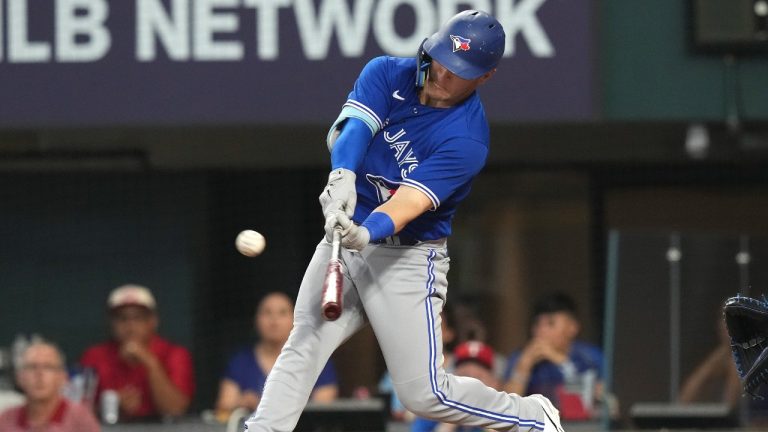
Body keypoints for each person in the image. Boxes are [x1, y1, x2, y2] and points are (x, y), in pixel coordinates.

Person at [245, 10, 563, 432]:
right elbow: (356, 128)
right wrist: (342, 175)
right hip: (347, 231)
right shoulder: (388, 73)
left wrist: (366, 230)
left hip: (408, 257)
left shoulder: (466, 139)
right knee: (305, 340)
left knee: (424, 394)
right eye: (442, 59)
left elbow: (408, 203)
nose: (443, 74)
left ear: (483, 78)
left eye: (458, 71)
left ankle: (531, 416)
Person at [215, 292, 338, 420]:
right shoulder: (240, 362)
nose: (274, 320)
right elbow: (223, 409)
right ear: (256, 320)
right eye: (267, 313)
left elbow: (323, 408)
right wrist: (241, 403)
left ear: (296, 319)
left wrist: (262, 405)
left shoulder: (315, 360)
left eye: (282, 313)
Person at [80, 284, 194, 421]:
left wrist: (150, 362)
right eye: (122, 319)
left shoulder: (174, 354)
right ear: (111, 323)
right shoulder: (94, 356)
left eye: (138, 318)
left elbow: (174, 409)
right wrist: (110, 404)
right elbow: (75, 411)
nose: (130, 326)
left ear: (153, 321)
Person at [504, 293, 602, 420]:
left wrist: (561, 362)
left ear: (573, 327)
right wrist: (524, 366)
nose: (541, 330)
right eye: (537, 324)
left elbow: (587, 407)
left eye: (550, 323)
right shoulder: (520, 357)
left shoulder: (590, 357)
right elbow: (506, 412)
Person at [0, 341, 100, 432]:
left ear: (62, 377)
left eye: (48, 367)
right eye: (32, 367)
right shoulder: (5, 420)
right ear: (20, 377)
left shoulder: (80, 420)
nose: (39, 374)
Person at [411, 341, 501, 432]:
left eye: (478, 377)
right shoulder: (432, 413)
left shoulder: (505, 416)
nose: (471, 384)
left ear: (494, 383)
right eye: (464, 375)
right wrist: (449, 423)